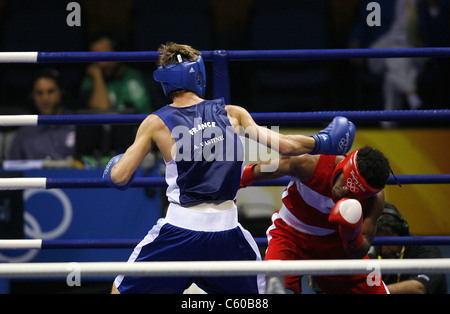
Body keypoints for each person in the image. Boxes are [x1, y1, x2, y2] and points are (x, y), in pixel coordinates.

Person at [102, 42, 356, 294]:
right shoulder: (232, 114)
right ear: (199, 75)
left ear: (165, 82)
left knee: (120, 290)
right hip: (228, 234)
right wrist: (322, 142)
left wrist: (119, 160)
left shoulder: (155, 122)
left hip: (178, 232)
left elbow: (119, 177)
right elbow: (287, 147)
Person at [240, 146, 391, 294]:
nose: (344, 191)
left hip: (336, 245)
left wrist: (351, 235)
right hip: (290, 236)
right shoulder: (309, 163)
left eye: (354, 193)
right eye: (346, 182)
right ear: (343, 165)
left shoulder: (374, 200)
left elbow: (361, 249)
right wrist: (237, 180)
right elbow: (270, 168)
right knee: (272, 284)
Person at [370, 202, 448, 294]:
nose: (384, 248)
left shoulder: (425, 250)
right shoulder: (372, 251)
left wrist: (377, 292)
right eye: (379, 241)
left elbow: (418, 288)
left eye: (388, 240)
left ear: (402, 233)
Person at [8, 68, 76, 160]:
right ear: (32, 96)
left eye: (50, 91)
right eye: (39, 93)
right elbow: (12, 169)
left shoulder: (78, 124)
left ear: (61, 92)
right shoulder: (24, 133)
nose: (45, 98)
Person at [80, 34, 152, 114]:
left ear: (117, 52)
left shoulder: (140, 76)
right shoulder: (90, 82)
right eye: (96, 57)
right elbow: (102, 109)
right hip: (114, 126)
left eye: (105, 55)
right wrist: (97, 75)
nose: (102, 64)